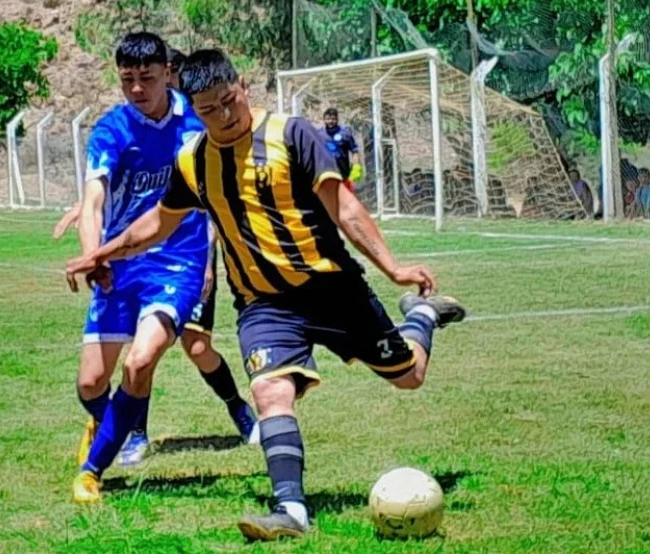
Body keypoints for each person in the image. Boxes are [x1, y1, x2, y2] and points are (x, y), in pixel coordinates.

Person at [65, 49, 467, 541]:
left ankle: (422, 315)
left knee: (410, 376)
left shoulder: (293, 135)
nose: (223, 116)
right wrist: (100, 253)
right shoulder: (193, 160)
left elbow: (343, 206)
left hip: (334, 290)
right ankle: (291, 511)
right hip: (263, 304)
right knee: (270, 390)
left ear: (243, 87)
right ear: (194, 107)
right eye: (207, 109)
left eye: (228, 101)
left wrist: (395, 269)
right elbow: (155, 224)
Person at [65, 34, 256, 505]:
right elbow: (93, 201)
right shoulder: (111, 130)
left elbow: (216, 187)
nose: (136, 89)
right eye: (127, 79)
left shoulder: (196, 120)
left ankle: (92, 471)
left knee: (144, 358)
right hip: (122, 262)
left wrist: (212, 257)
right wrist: (96, 257)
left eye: (146, 78)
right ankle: (109, 423)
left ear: (166, 73)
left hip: (179, 259)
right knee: (91, 383)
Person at [320, 107, 363, 191]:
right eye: (328, 119)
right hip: (325, 174)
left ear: (337, 119)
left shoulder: (345, 133)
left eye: (333, 119)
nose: (330, 121)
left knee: (344, 200)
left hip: (343, 173)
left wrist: (356, 166)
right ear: (324, 120)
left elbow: (354, 151)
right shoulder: (319, 134)